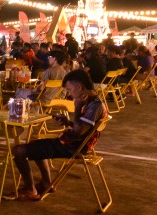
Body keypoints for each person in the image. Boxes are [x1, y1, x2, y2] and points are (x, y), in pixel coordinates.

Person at [12, 69, 107, 199]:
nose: (70, 93)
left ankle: (30, 190)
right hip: (74, 144)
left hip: (73, 147)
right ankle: (46, 183)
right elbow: (84, 128)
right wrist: (68, 122)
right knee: (37, 144)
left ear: (79, 87)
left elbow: (79, 132)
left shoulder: (95, 105)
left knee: (18, 151)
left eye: (70, 89)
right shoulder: (93, 101)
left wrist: (77, 108)